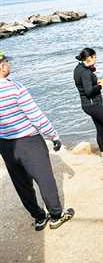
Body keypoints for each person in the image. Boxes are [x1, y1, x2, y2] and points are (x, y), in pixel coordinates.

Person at [0, 51, 74, 231]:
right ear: (2, 66)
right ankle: (56, 216)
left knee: (21, 183)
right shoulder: (15, 88)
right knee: (44, 178)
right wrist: (53, 136)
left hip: (5, 144)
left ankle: (39, 217)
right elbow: (36, 117)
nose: (9, 65)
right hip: (29, 141)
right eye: (7, 62)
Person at [73, 48, 103, 166]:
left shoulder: (78, 68)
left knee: (101, 130)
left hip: (88, 105)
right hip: (93, 105)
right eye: (95, 57)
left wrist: (96, 83)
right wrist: (100, 85)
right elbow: (89, 91)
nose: (96, 60)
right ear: (90, 58)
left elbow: (85, 87)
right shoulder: (85, 72)